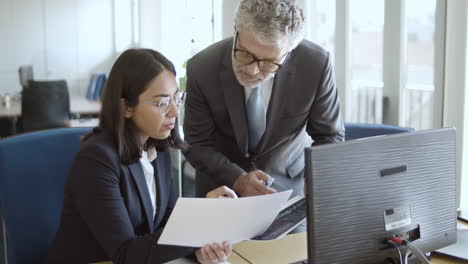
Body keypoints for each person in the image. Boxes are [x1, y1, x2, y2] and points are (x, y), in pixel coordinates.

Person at [47, 49, 235, 264]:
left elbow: (167, 225)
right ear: (126, 106)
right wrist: (199, 223)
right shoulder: (96, 160)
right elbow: (125, 253)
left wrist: (198, 248)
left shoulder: (158, 148)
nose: (174, 112)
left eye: (176, 98)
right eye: (162, 102)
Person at [183, 0, 345, 198]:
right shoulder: (202, 67)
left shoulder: (315, 64)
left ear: (289, 52)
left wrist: (318, 177)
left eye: (269, 62)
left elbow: (330, 135)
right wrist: (237, 178)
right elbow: (197, 143)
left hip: (288, 191)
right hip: (222, 191)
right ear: (236, 30)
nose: (252, 70)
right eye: (245, 54)